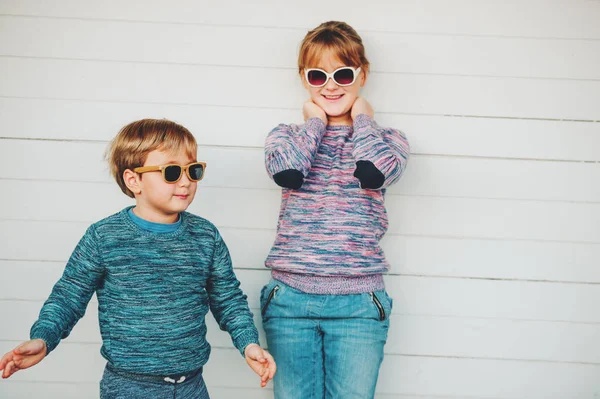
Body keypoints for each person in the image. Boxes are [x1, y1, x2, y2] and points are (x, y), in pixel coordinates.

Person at [0, 118, 275, 398]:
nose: (185, 181)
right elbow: (69, 296)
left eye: (192, 171)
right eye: (171, 172)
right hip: (129, 386)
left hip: (192, 385)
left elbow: (228, 299)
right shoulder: (104, 237)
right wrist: (44, 337)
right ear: (134, 180)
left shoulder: (206, 236)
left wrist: (249, 344)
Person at [261, 21, 409, 399]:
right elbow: (289, 174)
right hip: (291, 300)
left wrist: (362, 118)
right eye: (317, 75)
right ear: (303, 79)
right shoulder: (285, 136)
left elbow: (374, 172)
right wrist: (314, 121)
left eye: (343, 73)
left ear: (362, 74)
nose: (331, 85)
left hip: (358, 304)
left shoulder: (388, 140)